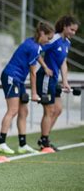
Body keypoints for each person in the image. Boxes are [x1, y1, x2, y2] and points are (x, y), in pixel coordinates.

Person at [0, 22, 55, 155]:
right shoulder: (33, 47)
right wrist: (34, 93)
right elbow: (33, 73)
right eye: (48, 38)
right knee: (13, 110)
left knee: (24, 111)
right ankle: (1, 143)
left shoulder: (33, 43)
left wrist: (45, 67)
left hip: (19, 79)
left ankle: (22, 145)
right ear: (42, 34)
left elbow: (37, 55)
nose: (48, 41)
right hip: (11, 76)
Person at [36, 15, 79, 151]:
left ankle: (44, 138)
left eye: (75, 31)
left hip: (54, 80)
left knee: (58, 109)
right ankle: (44, 141)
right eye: (72, 29)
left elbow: (63, 62)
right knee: (49, 110)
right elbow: (36, 51)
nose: (73, 33)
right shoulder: (53, 38)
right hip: (45, 78)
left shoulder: (67, 42)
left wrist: (65, 81)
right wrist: (45, 67)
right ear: (65, 27)